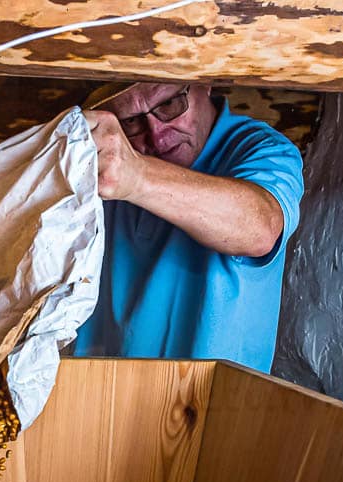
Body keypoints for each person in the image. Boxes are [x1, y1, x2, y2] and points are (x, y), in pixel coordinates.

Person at [73, 82, 304, 372]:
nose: (156, 135)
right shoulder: (103, 157)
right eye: (130, 121)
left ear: (203, 83)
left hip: (210, 403)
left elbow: (261, 228)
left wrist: (137, 175)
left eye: (169, 105)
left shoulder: (262, 148)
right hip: (97, 391)